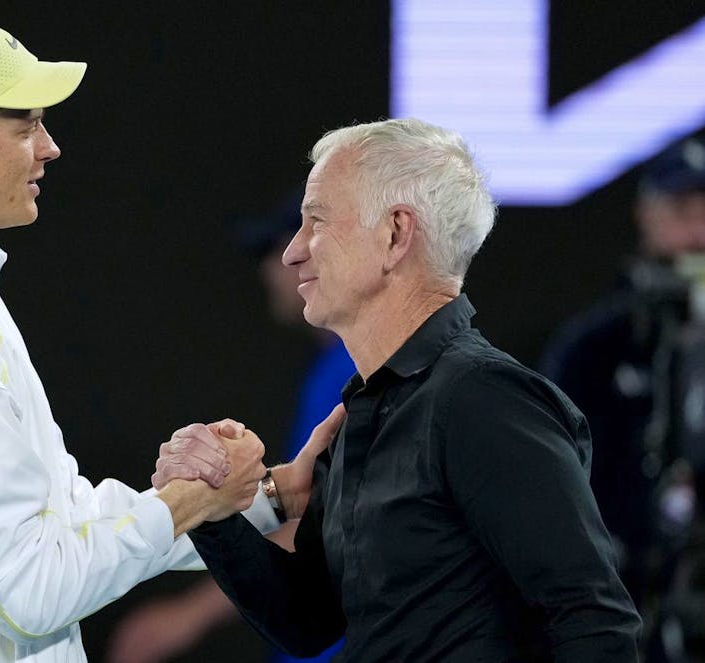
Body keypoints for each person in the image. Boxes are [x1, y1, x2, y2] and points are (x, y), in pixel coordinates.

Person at [0, 17, 318, 663]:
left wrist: (267, 496)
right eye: (27, 125)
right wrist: (190, 499)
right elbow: (29, 591)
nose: (50, 147)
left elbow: (56, 521)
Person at [154, 118, 642, 661]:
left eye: (316, 222)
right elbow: (309, 618)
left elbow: (592, 619)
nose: (293, 253)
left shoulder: (485, 399)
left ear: (394, 234)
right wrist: (214, 510)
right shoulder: (364, 410)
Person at [105, 192, 354, 663]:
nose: (272, 268)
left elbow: (316, 522)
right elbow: (304, 498)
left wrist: (189, 614)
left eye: (276, 249)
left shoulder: (353, 376)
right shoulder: (331, 371)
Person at [538, 134, 705, 661]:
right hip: (627, 609)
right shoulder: (594, 348)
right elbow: (553, 491)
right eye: (682, 210)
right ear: (644, 213)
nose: (699, 234)